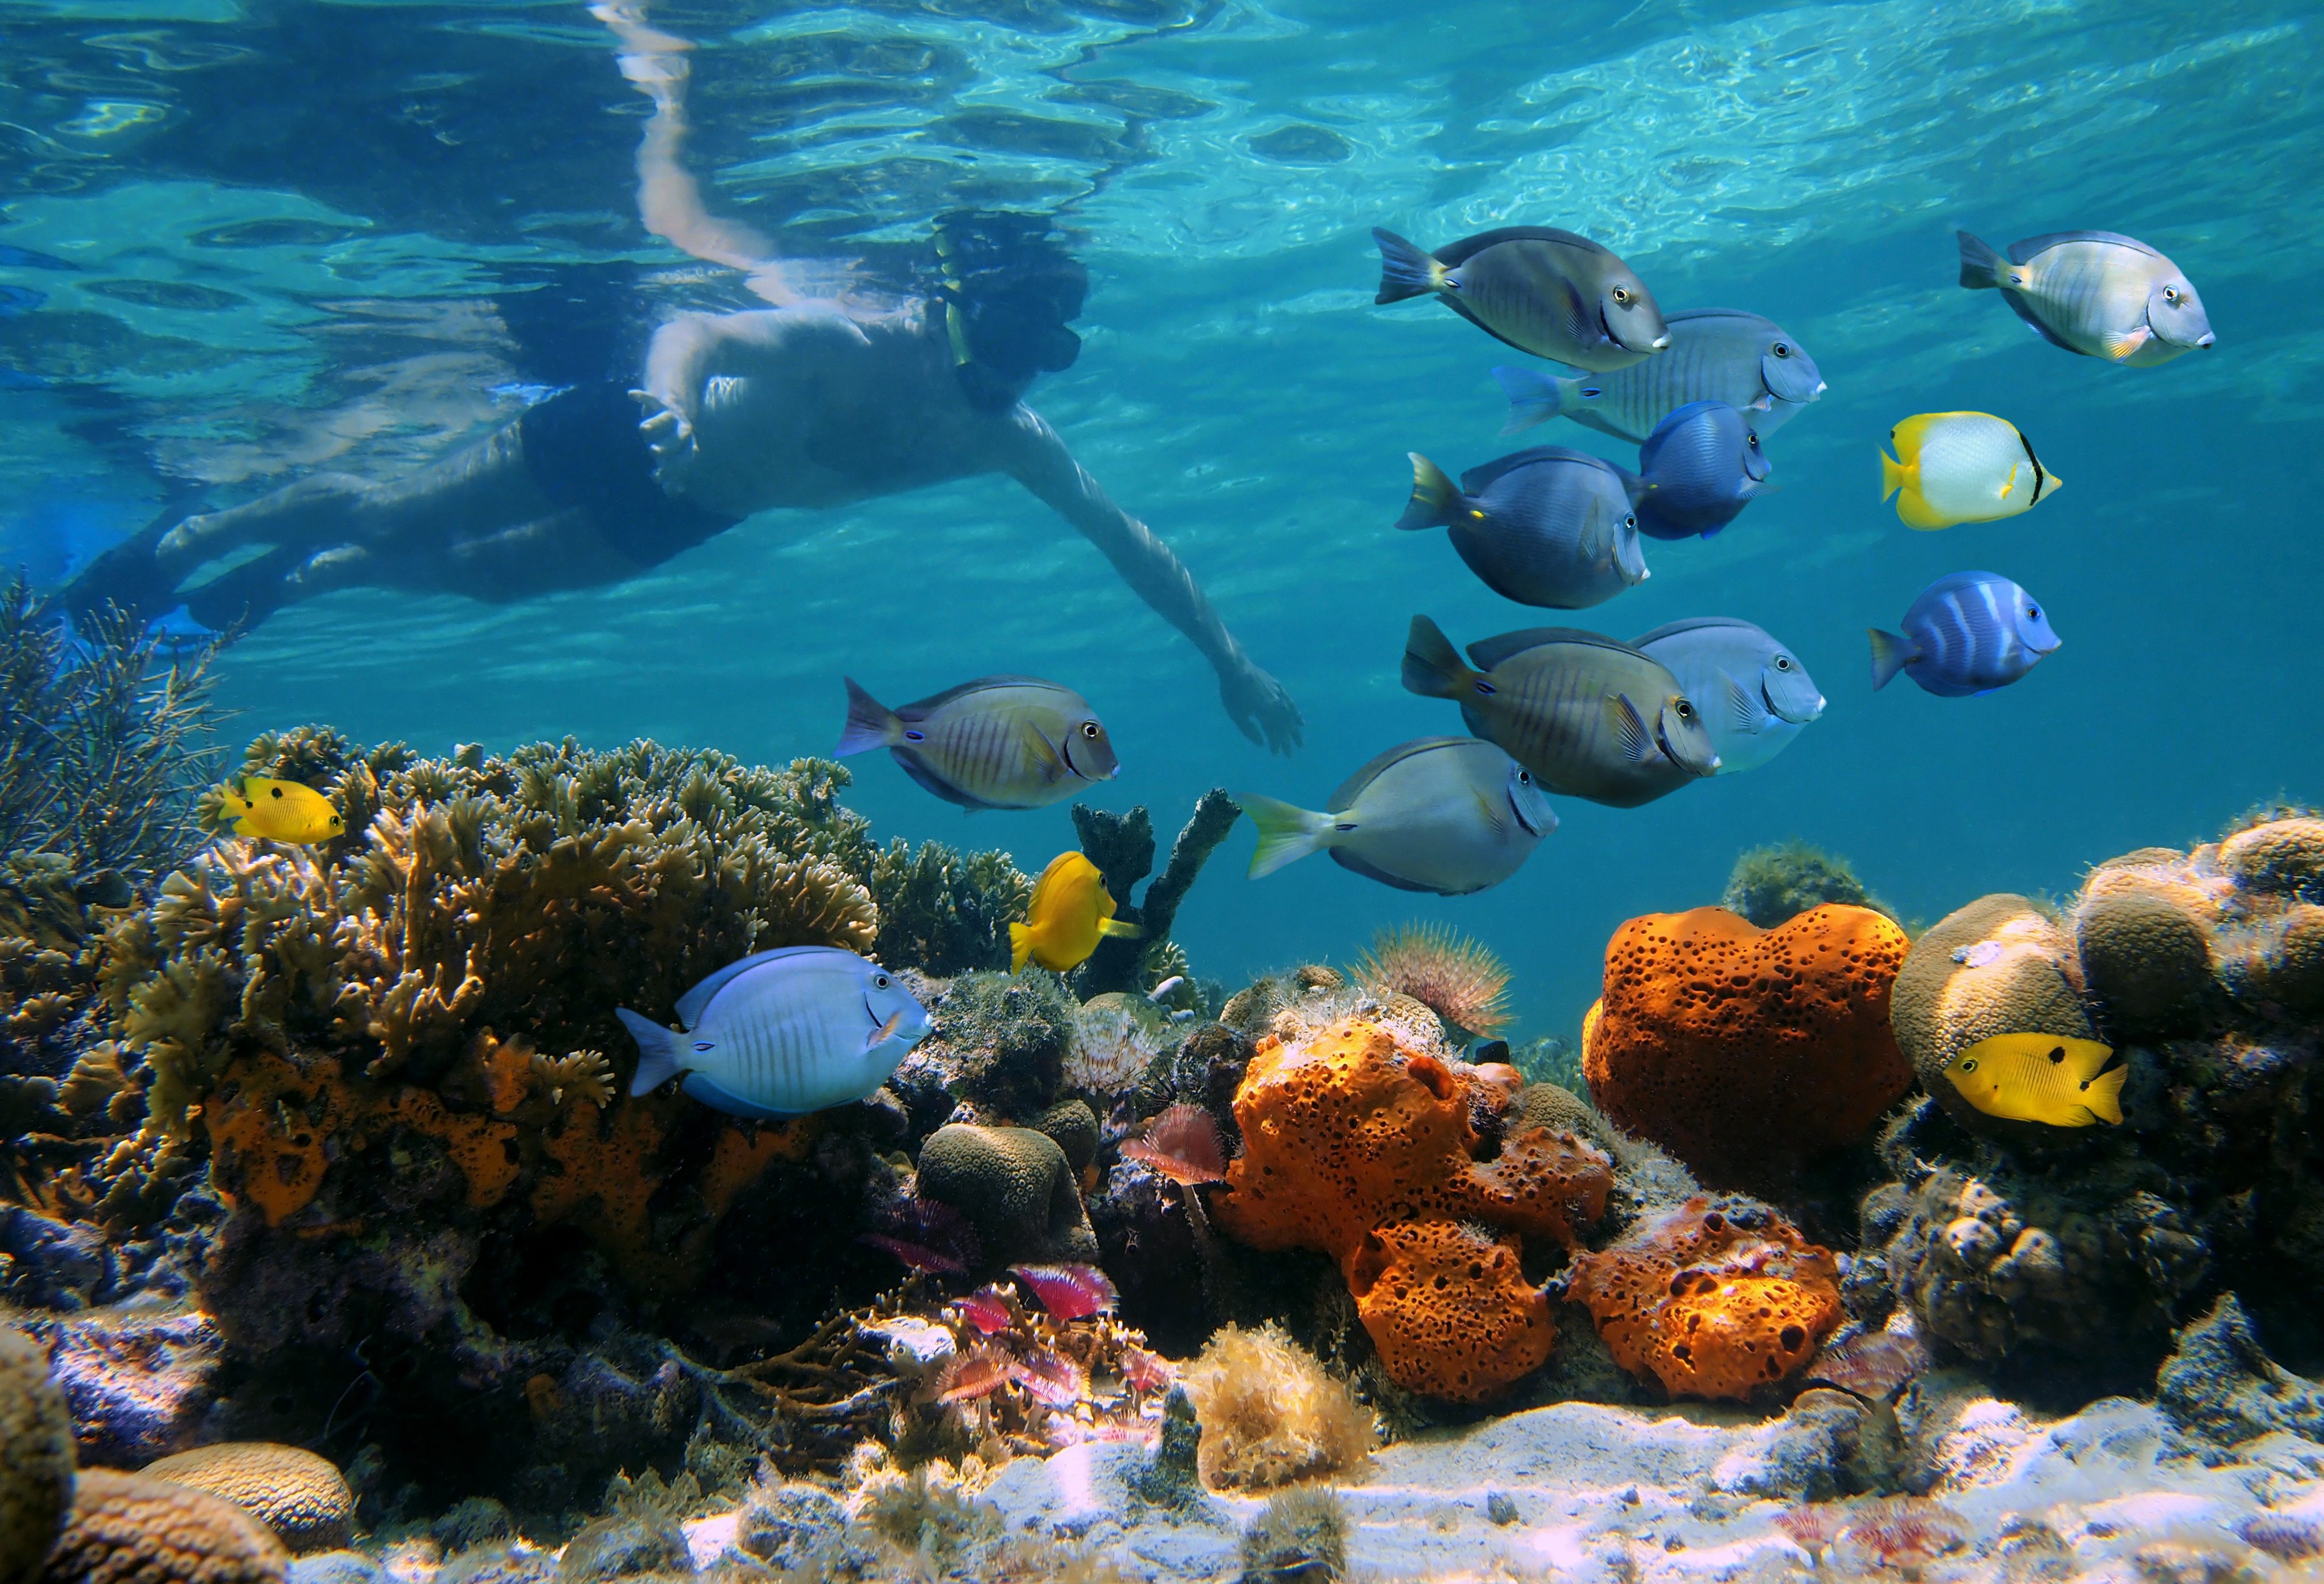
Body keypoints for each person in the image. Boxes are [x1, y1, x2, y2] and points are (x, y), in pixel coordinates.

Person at [64, 2, 1301, 752]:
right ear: (965, 306)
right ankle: (194, 540)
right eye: (1025, 339)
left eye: (1049, 356)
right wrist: (663, 400)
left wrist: (1228, 659)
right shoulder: (856, 339)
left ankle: (295, 585)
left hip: (698, 510)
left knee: (484, 586)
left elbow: (1126, 540)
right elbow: (697, 336)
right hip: (631, 431)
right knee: (392, 506)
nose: (1031, 372)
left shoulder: (1005, 437)